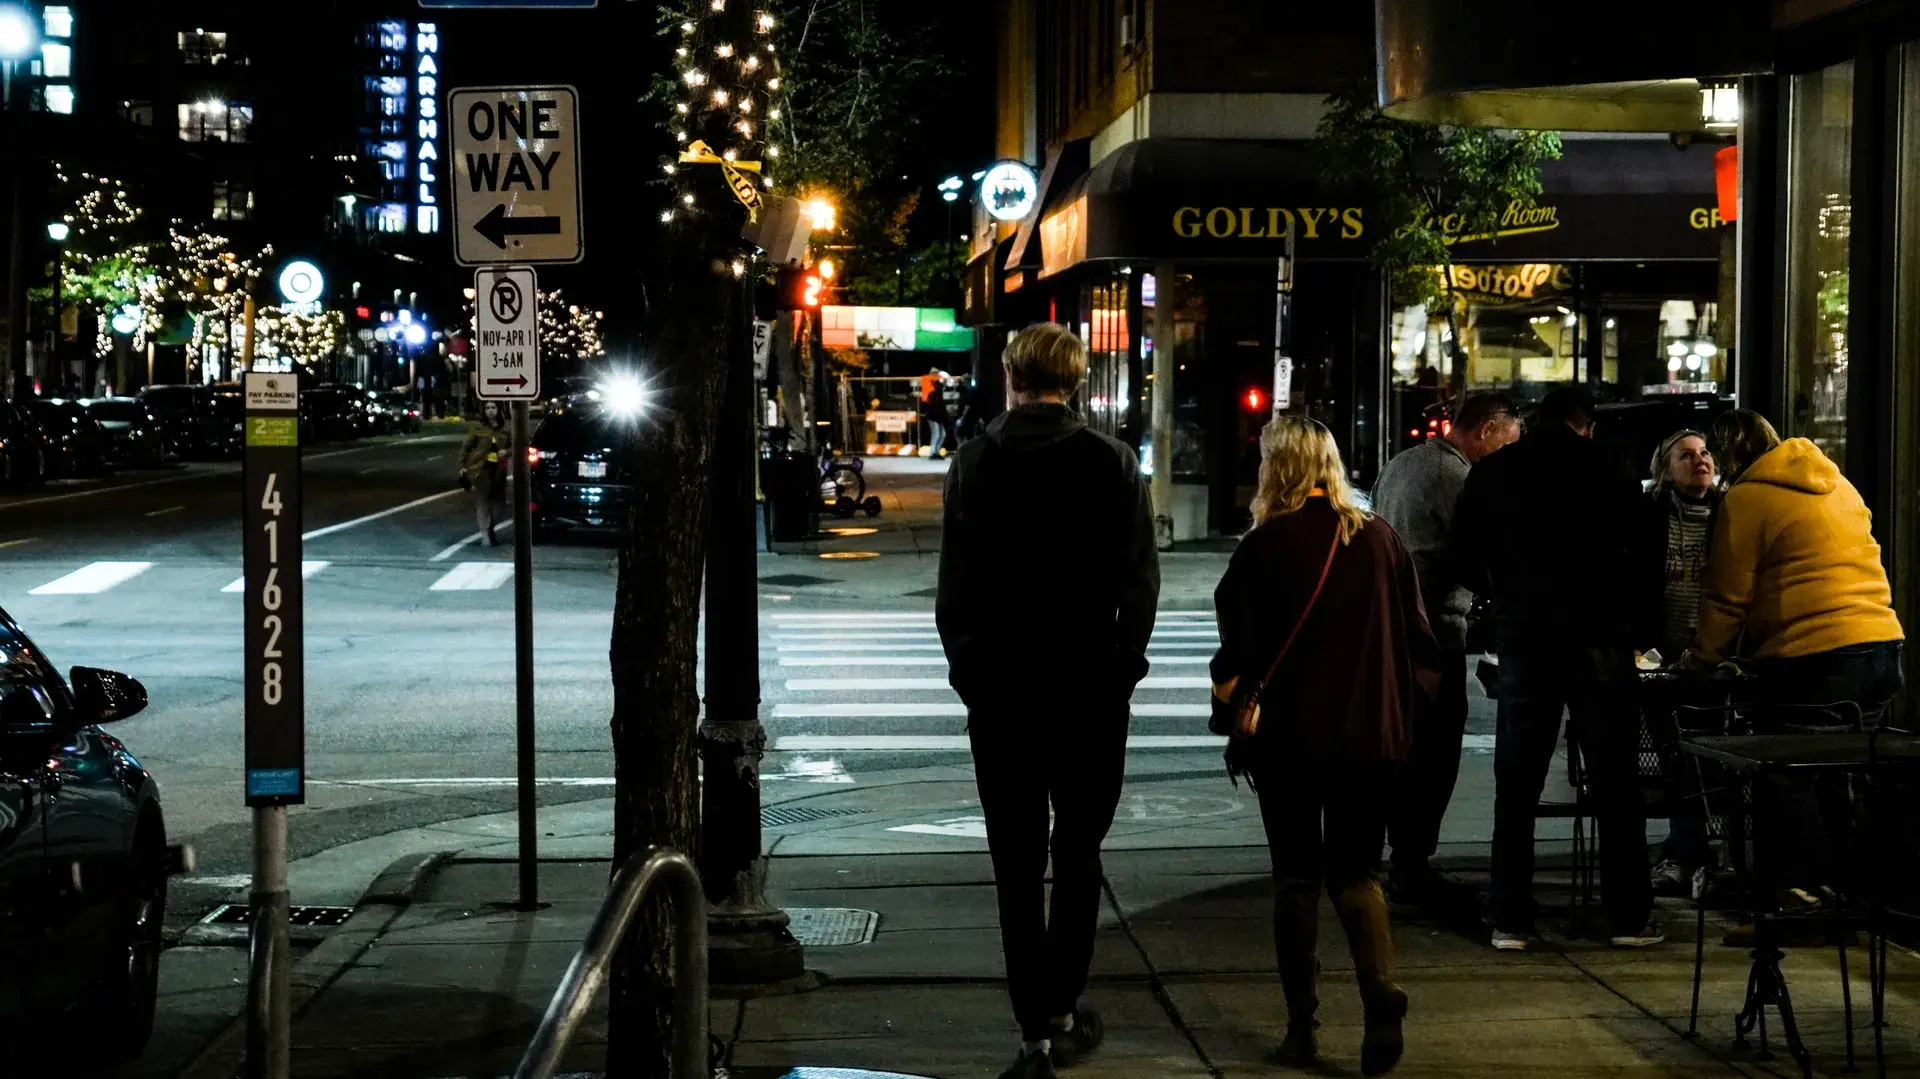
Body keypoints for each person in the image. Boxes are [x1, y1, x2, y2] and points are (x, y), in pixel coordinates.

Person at [936, 322, 1159, 1079]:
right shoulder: (1113, 462)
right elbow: (1140, 581)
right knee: (1078, 851)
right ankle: (1064, 1003)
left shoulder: (975, 463)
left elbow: (955, 591)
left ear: (1012, 374)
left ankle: (1031, 1028)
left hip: (1003, 691)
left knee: (1015, 861)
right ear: (1078, 379)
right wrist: (1123, 664)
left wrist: (971, 669)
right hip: (1090, 689)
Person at [1213, 415, 1438, 1076]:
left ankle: (1301, 1028)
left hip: (1290, 739)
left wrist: (1234, 723)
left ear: (1274, 468)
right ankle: (1379, 991)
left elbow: (1239, 656)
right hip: (1372, 737)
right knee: (1357, 871)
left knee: (1295, 877)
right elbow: (1421, 646)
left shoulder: (1263, 548)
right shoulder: (1381, 540)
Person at [1453, 387, 1663, 952]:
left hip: (1525, 635)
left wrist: (1503, 588)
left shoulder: (1497, 472)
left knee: (1516, 781)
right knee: (1615, 780)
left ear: (1533, 420)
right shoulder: (1608, 468)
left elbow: (1463, 556)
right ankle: (1627, 916)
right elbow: (1648, 549)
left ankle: (1511, 917)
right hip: (1599, 636)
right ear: (1585, 424)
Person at [1680, 410, 1904, 920]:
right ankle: (1849, 892)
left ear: (1731, 454)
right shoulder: (1835, 483)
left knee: (1789, 774)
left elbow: (1725, 599)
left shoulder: (1747, 498)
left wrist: (1700, 662)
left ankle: (1801, 897)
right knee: (1843, 773)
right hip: (1881, 647)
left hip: (1815, 655)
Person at [1372, 391, 1520, 903]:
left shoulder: (1401, 464)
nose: (1508, 456)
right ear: (1485, 430)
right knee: (1433, 752)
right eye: (1507, 441)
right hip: (1433, 629)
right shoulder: (1458, 478)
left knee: (1401, 748)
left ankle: (1393, 857)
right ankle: (1412, 863)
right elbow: (1475, 551)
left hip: (1392, 628)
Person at [1634, 430, 1721, 899]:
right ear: (1665, 469)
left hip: (1716, 659)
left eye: (1705, 453)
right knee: (1677, 762)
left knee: (1705, 765)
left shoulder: (1730, 512)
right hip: (1663, 661)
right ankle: (1689, 854)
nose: (1699, 461)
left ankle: (1686, 853)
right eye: (1686, 456)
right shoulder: (1649, 514)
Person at [459, 403, 509, 545]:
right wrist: (462, 466)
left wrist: (507, 452)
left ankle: (489, 528)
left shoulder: (506, 428)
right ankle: (485, 536)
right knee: (483, 502)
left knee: (500, 506)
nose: (490, 411)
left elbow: (518, 446)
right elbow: (466, 448)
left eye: (493, 408)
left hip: (499, 470)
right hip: (480, 469)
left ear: (499, 410)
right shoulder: (478, 427)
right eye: (487, 408)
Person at [921, 366, 955, 455]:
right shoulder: (933, 392)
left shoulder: (936, 392)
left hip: (936, 416)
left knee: (941, 434)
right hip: (933, 416)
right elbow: (933, 406)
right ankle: (933, 452)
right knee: (937, 434)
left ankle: (935, 452)